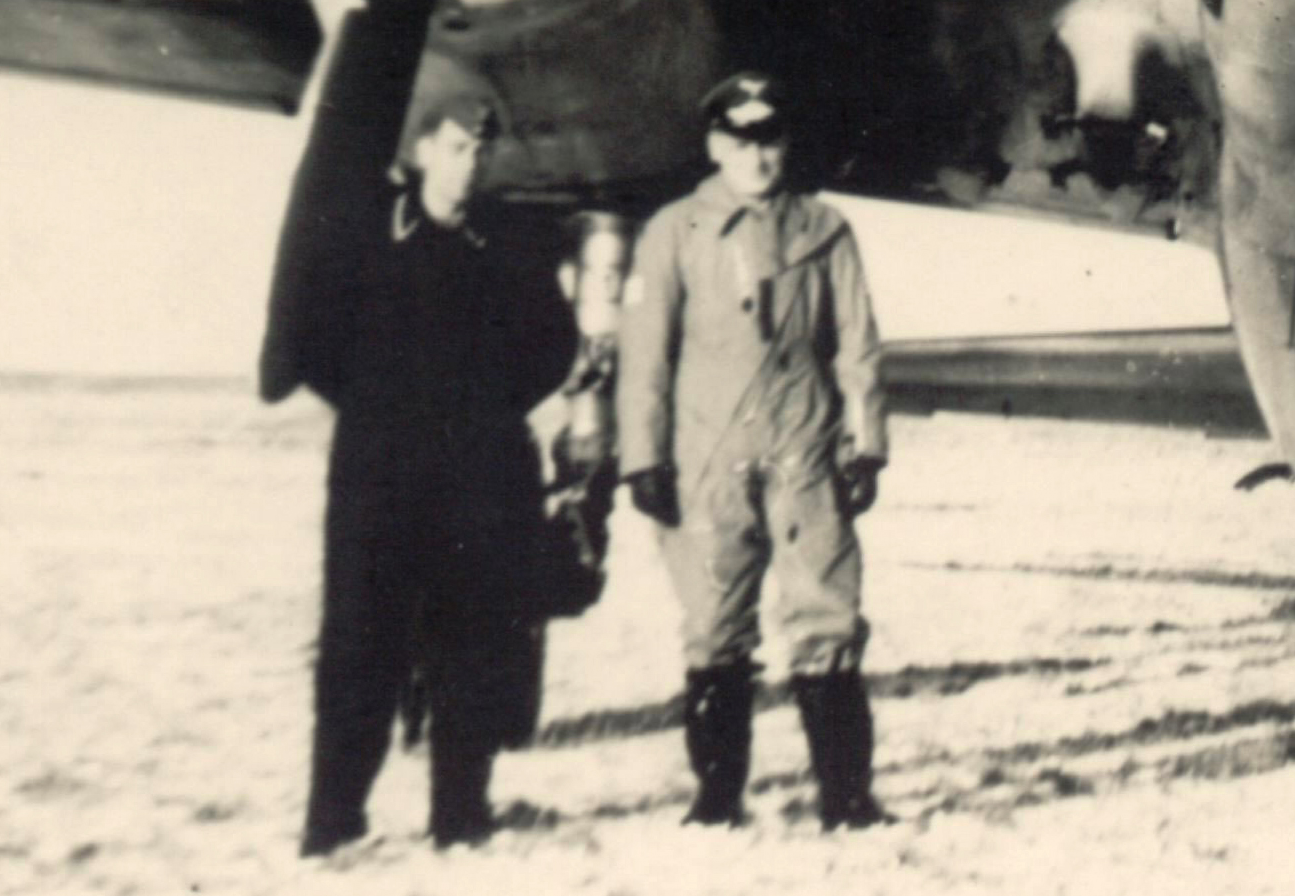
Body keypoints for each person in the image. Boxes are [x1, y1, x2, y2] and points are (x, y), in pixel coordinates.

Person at [280, 93, 577, 856]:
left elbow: (552, 345)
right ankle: (334, 819)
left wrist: (488, 413)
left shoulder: (508, 242)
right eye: (455, 148)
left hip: (479, 479)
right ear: (422, 154)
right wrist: (379, 409)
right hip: (379, 479)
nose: (468, 164)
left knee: (471, 642)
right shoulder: (365, 234)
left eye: (480, 151)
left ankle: (461, 814)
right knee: (360, 646)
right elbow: (312, 340)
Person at [616, 72, 891, 830]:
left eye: (768, 140)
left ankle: (846, 797)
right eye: (740, 142)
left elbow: (858, 346)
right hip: (708, 454)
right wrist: (643, 457)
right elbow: (645, 354)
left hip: (805, 447)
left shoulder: (825, 230)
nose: (756, 157)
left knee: (827, 616)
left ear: (785, 144)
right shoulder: (674, 232)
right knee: (713, 622)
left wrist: (865, 447)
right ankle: (716, 798)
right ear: (715, 146)